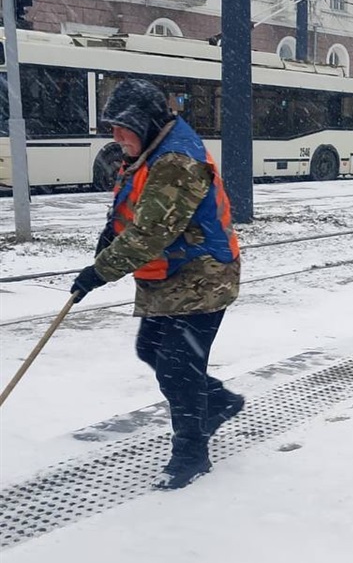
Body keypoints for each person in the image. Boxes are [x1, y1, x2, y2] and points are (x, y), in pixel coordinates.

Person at [70, 79, 243, 489]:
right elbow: (132, 207)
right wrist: (109, 239)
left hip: (204, 276)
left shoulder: (176, 162)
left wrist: (98, 272)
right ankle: (217, 402)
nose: (115, 136)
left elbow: (149, 234)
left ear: (145, 122)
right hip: (169, 276)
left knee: (177, 368)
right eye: (111, 126)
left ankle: (191, 453)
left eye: (121, 127)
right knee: (150, 349)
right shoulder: (150, 148)